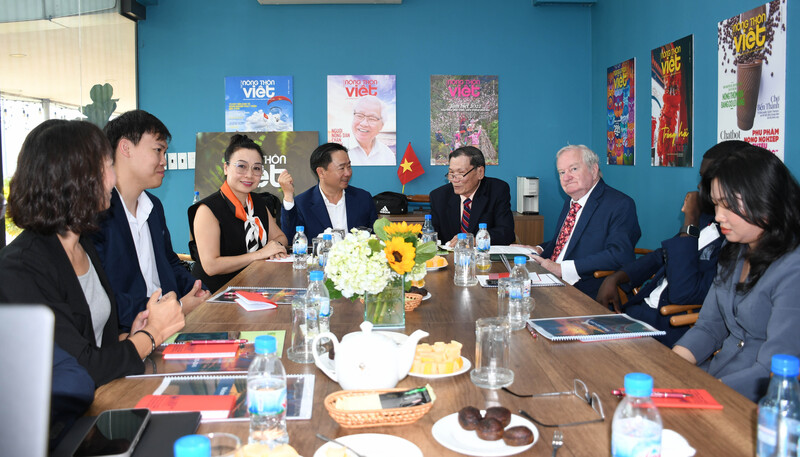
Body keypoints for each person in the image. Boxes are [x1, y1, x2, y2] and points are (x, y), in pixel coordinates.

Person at [0, 119, 185, 386]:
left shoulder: (82, 245)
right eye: (108, 166)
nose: (113, 178)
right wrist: (152, 334)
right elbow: (79, 368)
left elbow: (94, 342)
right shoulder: (21, 267)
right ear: (74, 178)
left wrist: (131, 337)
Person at [673, 142, 800, 402]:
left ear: (766, 200)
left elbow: (772, 370)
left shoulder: (793, 269)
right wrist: (669, 365)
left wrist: (702, 395)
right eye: (716, 204)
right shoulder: (735, 249)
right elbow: (709, 327)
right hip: (716, 378)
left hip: (754, 398)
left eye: (728, 205)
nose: (718, 216)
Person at [596, 143, 727, 347]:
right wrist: (616, 277)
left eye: (707, 179)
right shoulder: (706, 221)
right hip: (639, 313)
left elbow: (683, 293)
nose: (699, 186)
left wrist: (690, 220)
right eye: (701, 177)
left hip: (670, 326)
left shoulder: (730, 241)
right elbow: (661, 256)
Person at [91, 110, 208, 331]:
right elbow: (102, 297)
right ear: (125, 148)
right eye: (158, 150)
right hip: (128, 335)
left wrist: (200, 289)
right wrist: (177, 307)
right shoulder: (96, 212)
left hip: (169, 326)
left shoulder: (153, 206)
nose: (164, 161)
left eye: (165, 152)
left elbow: (169, 262)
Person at [531, 144, 640, 298]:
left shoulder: (620, 204)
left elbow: (620, 254)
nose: (566, 177)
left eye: (573, 169)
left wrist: (562, 269)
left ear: (593, 170)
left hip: (586, 288)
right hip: (549, 280)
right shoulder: (572, 200)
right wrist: (537, 249)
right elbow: (567, 241)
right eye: (562, 172)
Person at [189, 134, 289, 292]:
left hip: (253, 285)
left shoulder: (258, 202)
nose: (249, 175)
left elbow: (281, 237)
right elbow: (211, 266)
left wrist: (274, 248)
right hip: (215, 293)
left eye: (256, 168)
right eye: (241, 166)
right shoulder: (208, 209)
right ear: (226, 168)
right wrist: (260, 254)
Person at [279, 143, 378, 242]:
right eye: (342, 168)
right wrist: (288, 196)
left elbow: (374, 239)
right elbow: (291, 239)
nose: (347, 173)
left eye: (349, 166)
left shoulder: (363, 198)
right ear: (321, 172)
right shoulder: (302, 203)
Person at [429, 146, 515, 246]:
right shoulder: (439, 196)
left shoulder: (497, 190)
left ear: (480, 172)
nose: (454, 180)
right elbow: (428, 233)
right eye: (451, 173)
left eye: (461, 173)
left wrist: (475, 240)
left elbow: (506, 233)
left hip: (483, 254)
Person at [347, 95, 395, 166]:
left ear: (381, 125)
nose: (364, 124)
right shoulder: (336, 151)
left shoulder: (388, 155)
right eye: (359, 116)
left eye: (372, 118)